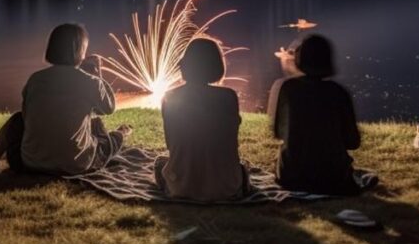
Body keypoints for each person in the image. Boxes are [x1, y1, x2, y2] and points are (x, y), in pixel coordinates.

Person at [0, 23, 131, 175]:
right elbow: (108, 108)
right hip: (76, 164)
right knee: (101, 132)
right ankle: (121, 134)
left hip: (28, 164)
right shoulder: (90, 81)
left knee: (16, 120)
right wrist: (97, 75)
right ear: (80, 52)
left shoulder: (35, 79)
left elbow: (26, 115)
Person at [155, 37, 249, 202]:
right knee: (243, 167)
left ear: (186, 64)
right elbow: (231, 141)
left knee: (159, 163)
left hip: (182, 187)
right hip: (225, 187)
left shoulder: (170, 97)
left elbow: (170, 144)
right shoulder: (229, 97)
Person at [267, 34, 363, 195]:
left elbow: (278, 133)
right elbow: (353, 142)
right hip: (334, 178)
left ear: (299, 59)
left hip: (292, 176)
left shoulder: (286, 88)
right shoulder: (338, 92)